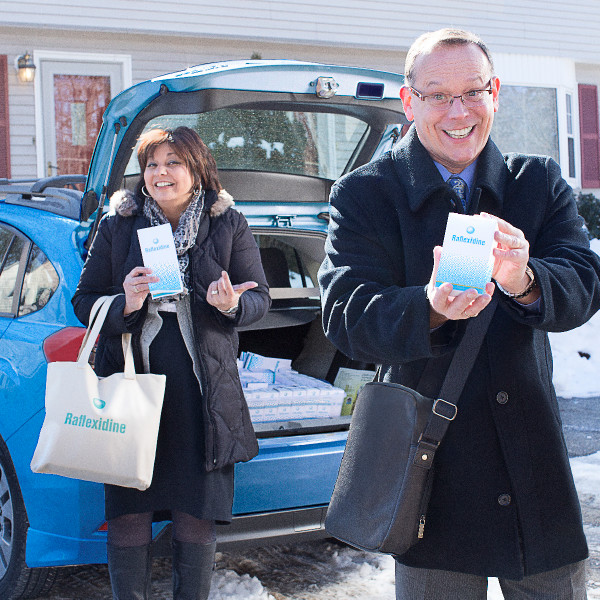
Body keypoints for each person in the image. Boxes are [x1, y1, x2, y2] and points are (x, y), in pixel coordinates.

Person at [318, 28, 600, 599]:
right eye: (437, 95)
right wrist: (427, 308)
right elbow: (346, 314)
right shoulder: (365, 195)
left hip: (533, 467)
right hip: (429, 474)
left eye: (472, 91)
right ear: (409, 101)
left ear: (495, 92)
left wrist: (526, 280)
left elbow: (584, 282)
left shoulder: (536, 183)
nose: (458, 111)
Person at [72, 126, 270, 600]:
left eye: (173, 163)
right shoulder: (119, 223)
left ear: (196, 168)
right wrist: (125, 300)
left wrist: (229, 306)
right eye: (152, 164)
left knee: (196, 519)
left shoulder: (227, 223)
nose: (161, 173)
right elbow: (84, 301)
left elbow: (258, 297)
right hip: (130, 384)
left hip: (202, 392)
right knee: (129, 516)